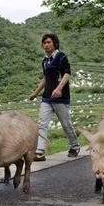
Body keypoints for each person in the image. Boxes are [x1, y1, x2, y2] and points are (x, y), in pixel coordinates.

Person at [28, 33, 80, 161]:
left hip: (60, 97)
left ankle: (75, 145)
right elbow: (46, 78)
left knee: (66, 124)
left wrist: (59, 88)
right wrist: (36, 92)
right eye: (44, 43)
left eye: (49, 42)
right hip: (46, 98)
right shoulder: (45, 61)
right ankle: (39, 151)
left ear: (55, 43)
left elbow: (67, 74)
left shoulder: (61, 57)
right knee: (41, 124)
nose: (46, 45)